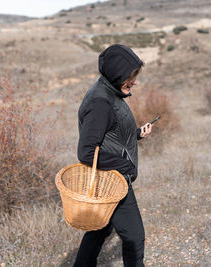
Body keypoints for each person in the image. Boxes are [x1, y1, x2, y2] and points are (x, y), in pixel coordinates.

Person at [73, 44, 152, 267]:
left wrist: (136, 134)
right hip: (112, 181)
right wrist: (125, 166)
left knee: (99, 230)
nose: (135, 81)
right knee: (134, 238)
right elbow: (86, 152)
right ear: (117, 73)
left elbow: (109, 134)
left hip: (110, 178)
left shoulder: (108, 91)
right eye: (130, 76)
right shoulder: (101, 103)